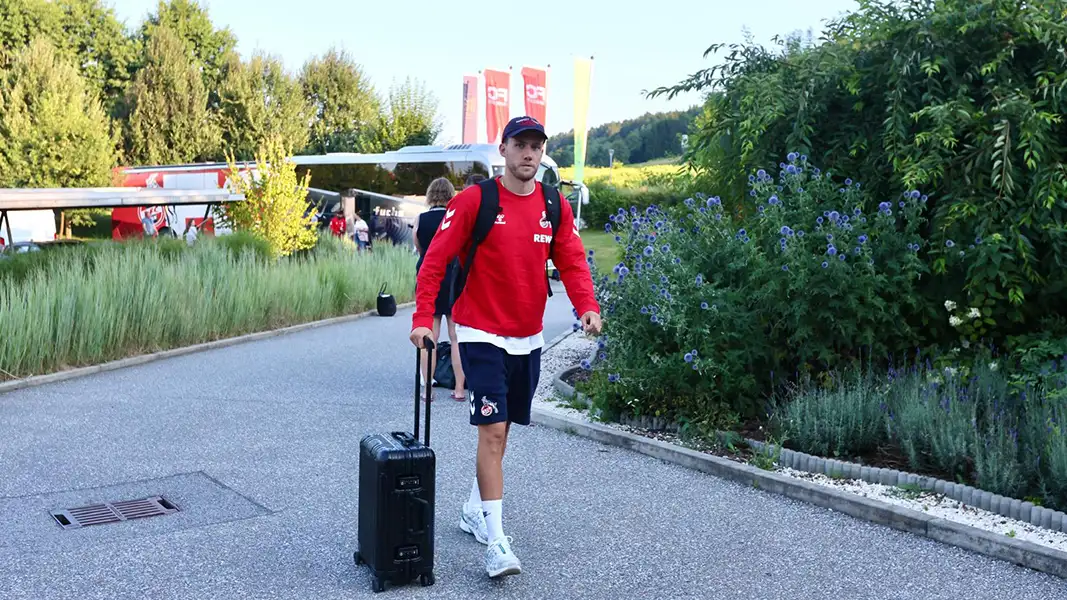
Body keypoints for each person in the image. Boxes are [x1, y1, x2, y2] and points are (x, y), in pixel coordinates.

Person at [408, 115, 602, 579]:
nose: (529, 153)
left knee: (505, 428)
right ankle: (497, 544)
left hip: (527, 335)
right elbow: (434, 261)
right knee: (492, 431)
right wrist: (421, 321)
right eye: (520, 144)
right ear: (504, 148)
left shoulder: (553, 205)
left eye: (536, 145)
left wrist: (587, 306)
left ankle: (475, 509)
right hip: (479, 331)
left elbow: (572, 261)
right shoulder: (477, 199)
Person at [413, 177, 466, 401]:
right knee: (456, 337)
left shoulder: (421, 219)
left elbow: (419, 247)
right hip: (454, 277)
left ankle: (428, 389)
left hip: (430, 276)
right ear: (450, 195)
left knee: (429, 336)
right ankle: (460, 389)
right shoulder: (454, 219)